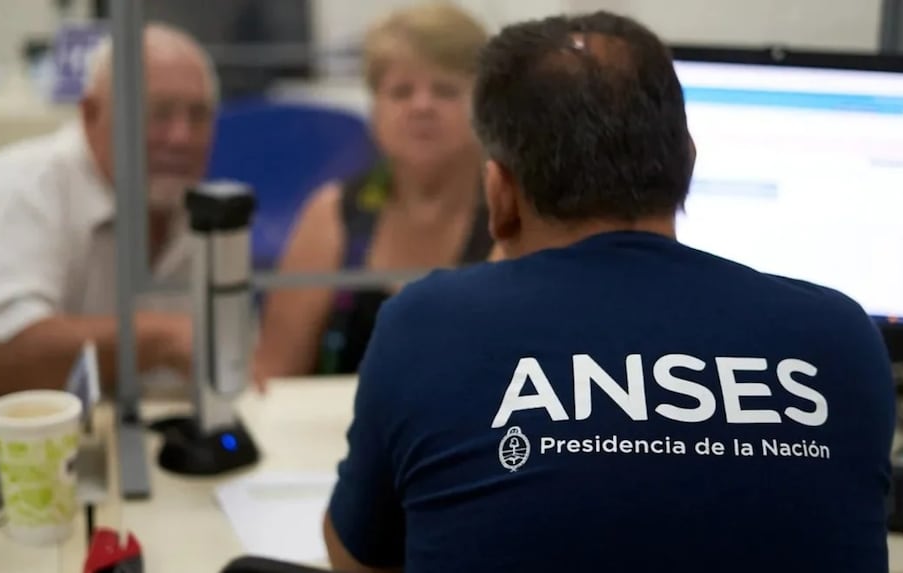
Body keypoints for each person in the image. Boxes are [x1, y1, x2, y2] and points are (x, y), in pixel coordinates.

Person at [323, 11, 895, 573]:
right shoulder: (840, 337)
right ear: (687, 164)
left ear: (499, 193)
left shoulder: (427, 326)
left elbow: (357, 557)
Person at [0, 23, 218, 399]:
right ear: (91, 113)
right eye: (157, 113)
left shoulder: (200, 212)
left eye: (198, 115)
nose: (181, 137)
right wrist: (158, 339)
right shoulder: (17, 191)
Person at [253, 2, 493, 387]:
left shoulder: (517, 218)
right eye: (401, 92)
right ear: (374, 108)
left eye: (446, 90)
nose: (422, 106)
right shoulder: (331, 216)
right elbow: (272, 377)